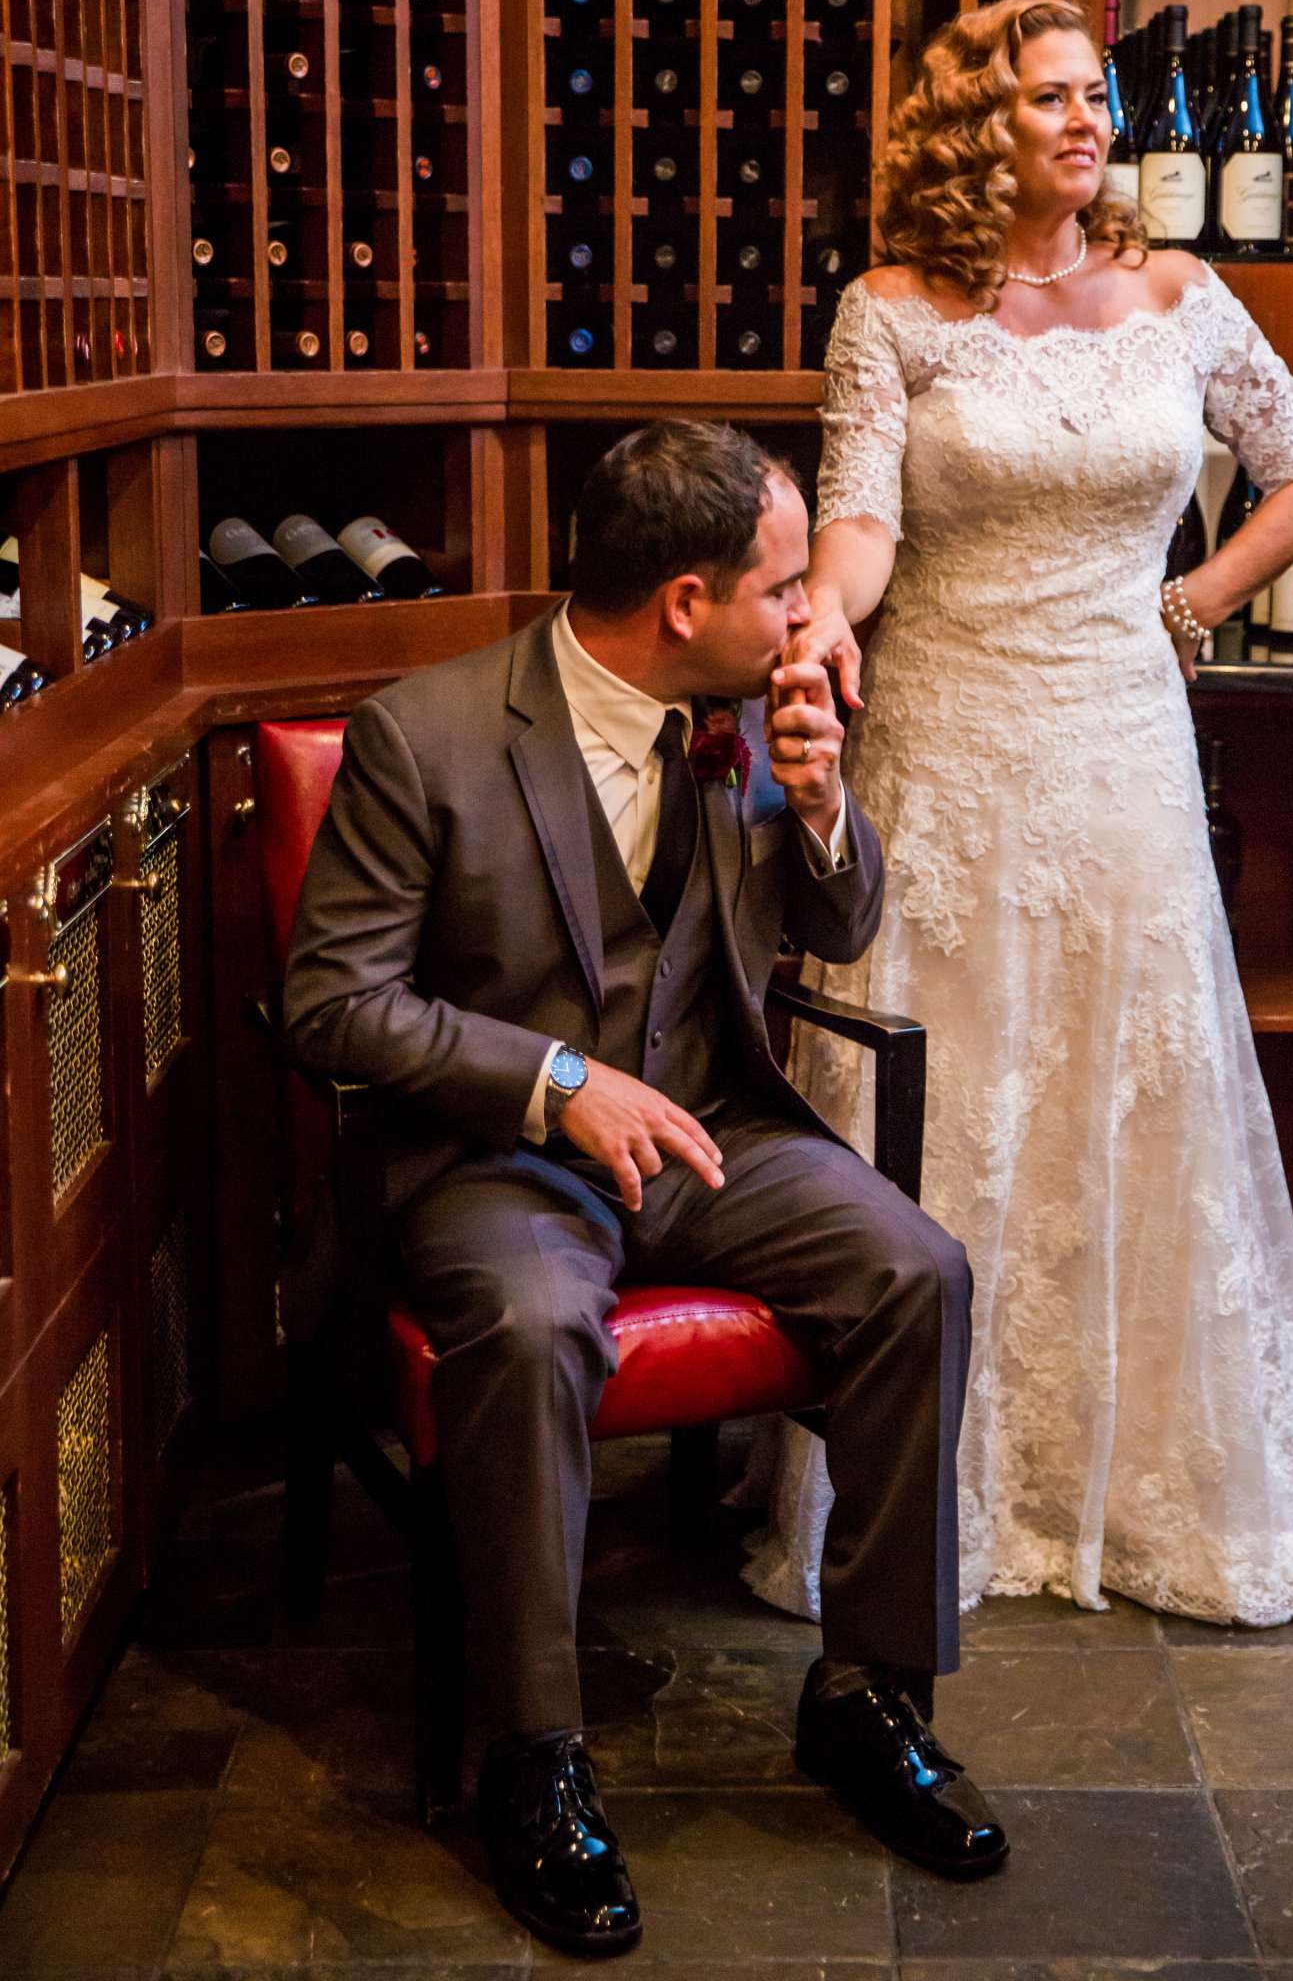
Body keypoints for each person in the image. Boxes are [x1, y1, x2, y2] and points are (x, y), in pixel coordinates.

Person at [282, 422, 1005, 1960]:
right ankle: (530, 1760)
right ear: (685, 601)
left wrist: (820, 802)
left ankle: (867, 1696)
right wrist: (552, 1083)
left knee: (916, 1273)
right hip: (506, 1162)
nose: (811, 617)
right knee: (538, 1324)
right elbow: (332, 1006)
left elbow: (844, 916)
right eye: (785, 586)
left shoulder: (749, 714)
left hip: (710, 1132)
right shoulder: (428, 735)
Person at [741, 0, 1293, 1637]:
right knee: (944, 1096)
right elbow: (862, 523)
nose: (1088, 124)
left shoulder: (1178, 291)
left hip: (1122, 749)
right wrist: (821, 618)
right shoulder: (891, 311)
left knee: (1128, 1085)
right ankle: (927, 1489)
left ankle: (1136, 1481)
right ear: (974, 128)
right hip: (942, 740)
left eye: (1097, 98)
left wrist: (1195, 599)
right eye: (1049, 100)